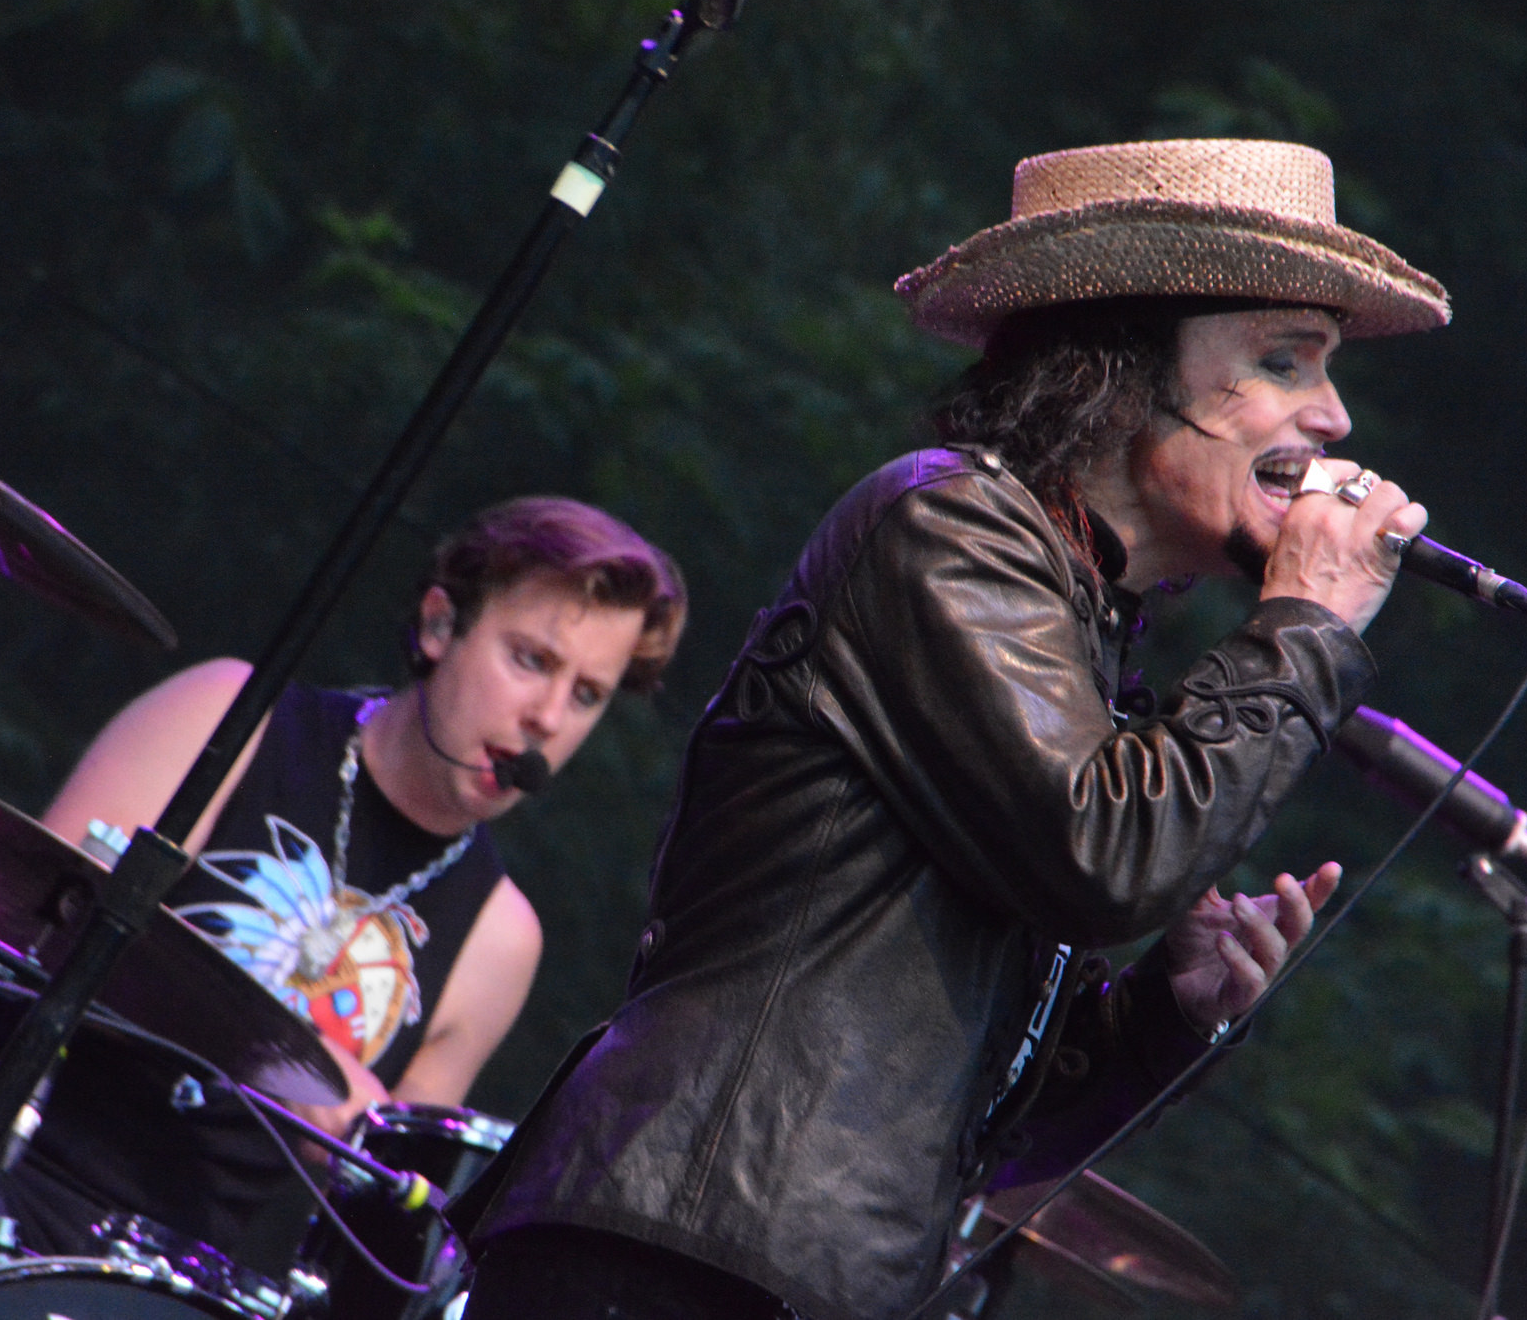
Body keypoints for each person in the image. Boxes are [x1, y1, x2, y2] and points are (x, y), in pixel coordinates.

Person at [457, 139, 1451, 1320]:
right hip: (681, 1252)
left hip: (784, 1272)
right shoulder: (947, 526)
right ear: (1125, 372)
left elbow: (982, 1128)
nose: (1333, 417)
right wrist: (1305, 623)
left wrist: (1165, 1015)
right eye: (1281, 361)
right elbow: (1109, 860)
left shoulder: (1080, 622)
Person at [0, 496, 686, 1270]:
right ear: (439, 626)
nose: (549, 718)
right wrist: (276, 1053)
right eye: (530, 660)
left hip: (149, 1277)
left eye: (587, 695)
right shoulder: (230, 715)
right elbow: (26, 912)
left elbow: (383, 1218)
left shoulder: (500, 937)